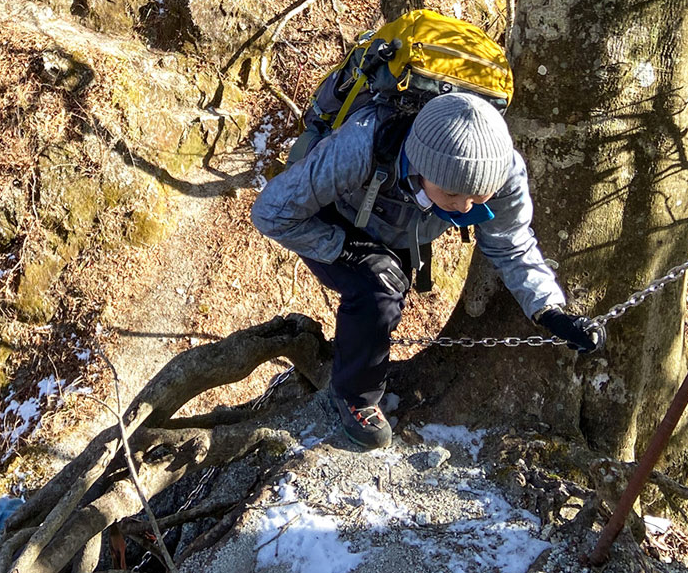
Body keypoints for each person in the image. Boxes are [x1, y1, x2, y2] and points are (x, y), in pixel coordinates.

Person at [251, 91, 602, 449]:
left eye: (478, 197)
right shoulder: (361, 144)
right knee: (379, 288)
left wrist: (549, 310)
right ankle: (355, 397)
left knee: (389, 285)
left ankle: (361, 349)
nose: (465, 207)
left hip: (402, 225)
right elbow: (271, 212)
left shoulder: (501, 169)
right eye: (453, 193)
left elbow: (511, 243)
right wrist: (345, 249)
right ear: (420, 167)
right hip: (331, 216)